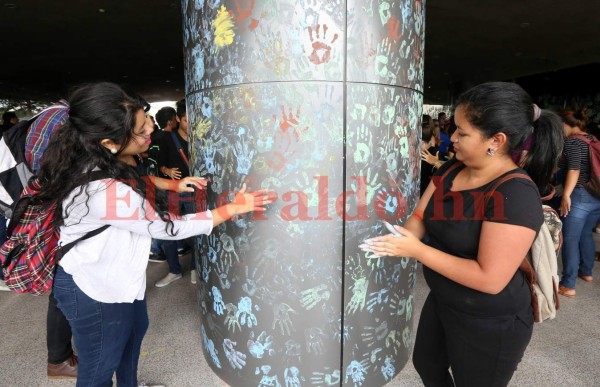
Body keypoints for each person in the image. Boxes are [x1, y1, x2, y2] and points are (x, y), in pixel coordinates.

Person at [38, 82, 271, 387]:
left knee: (132, 339)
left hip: (118, 281)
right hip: (93, 288)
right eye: (140, 127)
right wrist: (231, 209)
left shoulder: (98, 159)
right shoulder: (102, 191)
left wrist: (174, 184)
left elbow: (136, 179)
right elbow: (167, 228)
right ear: (109, 142)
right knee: (99, 368)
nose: (150, 128)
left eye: (145, 118)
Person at [365, 82, 563, 386]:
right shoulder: (453, 169)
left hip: (490, 320)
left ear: (495, 140)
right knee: (427, 364)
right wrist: (401, 237)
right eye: (454, 128)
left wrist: (415, 250)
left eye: (462, 132)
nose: (452, 137)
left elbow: (490, 278)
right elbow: (420, 215)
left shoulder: (515, 193)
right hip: (445, 299)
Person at [154, 99, 199, 287]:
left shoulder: (200, 138)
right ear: (179, 119)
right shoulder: (166, 138)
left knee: (197, 231)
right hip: (173, 191)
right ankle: (174, 270)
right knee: (168, 231)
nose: (191, 125)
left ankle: (196, 268)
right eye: (188, 120)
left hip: (195, 192)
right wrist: (167, 171)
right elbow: (159, 164)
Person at [558, 109, 599, 297]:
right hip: (596, 195)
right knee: (585, 235)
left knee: (570, 239)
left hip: (580, 194)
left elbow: (574, 169)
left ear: (568, 124)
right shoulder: (593, 139)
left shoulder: (573, 141)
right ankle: (586, 272)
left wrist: (566, 195)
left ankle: (568, 284)